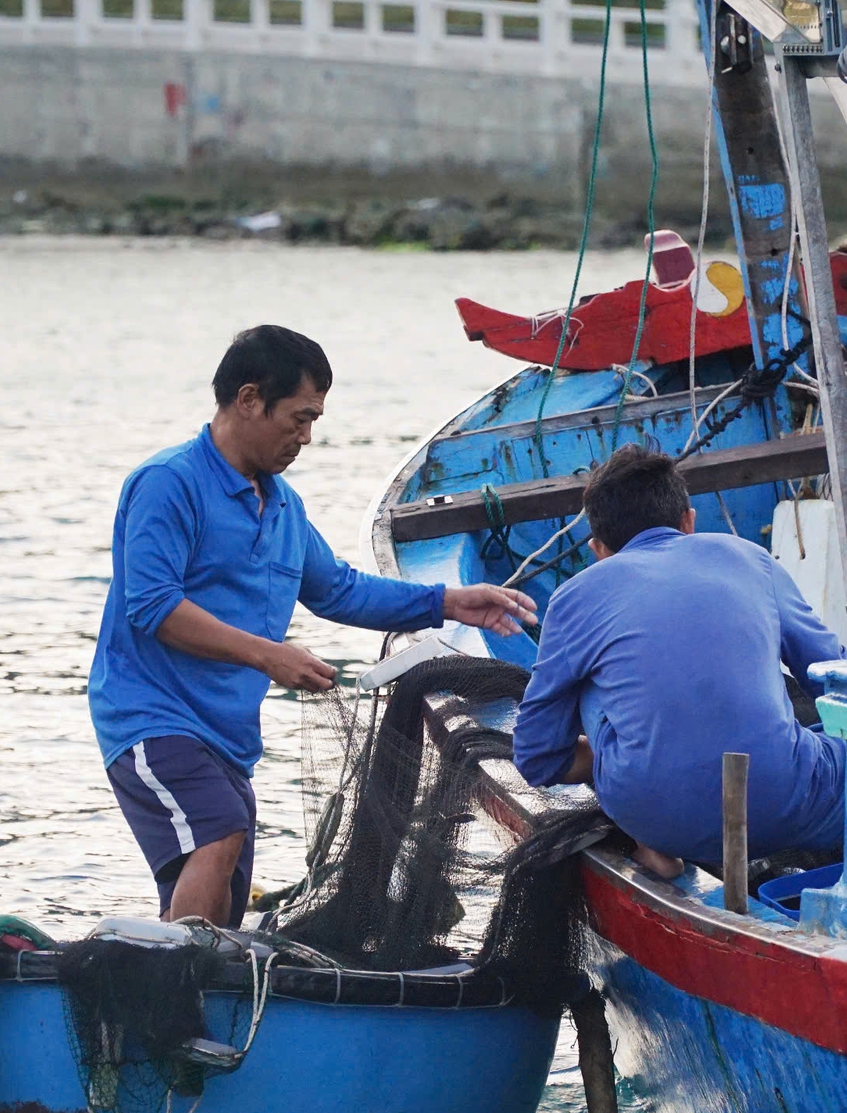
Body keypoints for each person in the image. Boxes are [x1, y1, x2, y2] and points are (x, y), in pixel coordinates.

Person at [90, 326, 536, 927]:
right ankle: (173, 999)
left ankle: (186, 998)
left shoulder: (282, 505)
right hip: (151, 719)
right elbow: (152, 606)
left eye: (314, 422)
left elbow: (338, 590)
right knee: (217, 834)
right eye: (298, 419)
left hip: (228, 736)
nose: (305, 437)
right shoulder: (169, 483)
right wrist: (269, 655)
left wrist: (451, 602)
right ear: (249, 399)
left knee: (219, 898)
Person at [511, 445, 846, 878]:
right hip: (790, 802)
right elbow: (834, 679)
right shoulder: (750, 557)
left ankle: (649, 847)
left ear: (598, 549)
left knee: (597, 682)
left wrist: (610, 753)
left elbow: (536, 756)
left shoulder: (575, 596)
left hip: (656, 818)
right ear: (689, 521)